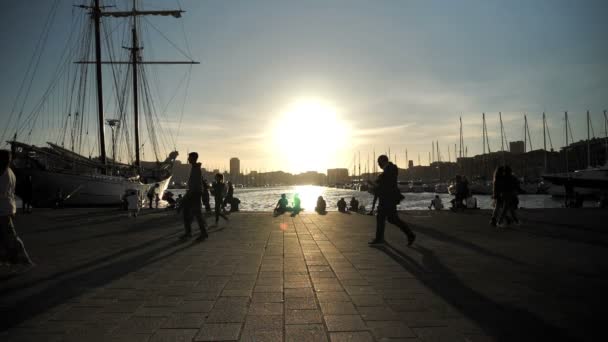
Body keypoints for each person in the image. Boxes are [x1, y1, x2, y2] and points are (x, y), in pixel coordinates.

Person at [368, 155, 415, 246]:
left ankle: (380, 238)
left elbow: (385, 182)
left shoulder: (391, 169)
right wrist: (375, 184)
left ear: (383, 161)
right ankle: (410, 235)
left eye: (379, 163)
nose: (378, 165)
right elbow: (383, 182)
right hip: (387, 198)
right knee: (391, 219)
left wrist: (374, 184)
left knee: (385, 218)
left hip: (388, 199)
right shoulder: (389, 169)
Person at [0, 150, 34, 267]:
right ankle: (7, 259)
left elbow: (2, 192)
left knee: (11, 237)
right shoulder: (10, 173)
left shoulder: (4, 173)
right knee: (5, 237)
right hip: (7, 207)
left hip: (3, 210)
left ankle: (24, 261)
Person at [181, 152, 208, 241]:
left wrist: (189, 193)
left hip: (194, 193)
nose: (188, 159)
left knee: (192, 213)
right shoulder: (195, 168)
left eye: (189, 157)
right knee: (195, 213)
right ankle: (197, 233)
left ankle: (193, 233)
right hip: (194, 193)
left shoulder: (196, 169)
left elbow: (195, 183)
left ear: (193, 158)